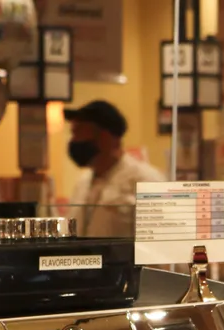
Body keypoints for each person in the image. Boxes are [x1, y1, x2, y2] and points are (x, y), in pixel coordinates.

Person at [65, 99, 165, 237]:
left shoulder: (146, 181)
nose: (74, 141)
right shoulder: (82, 183)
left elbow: (160, 244)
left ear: (106, 137)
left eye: (79, 132)